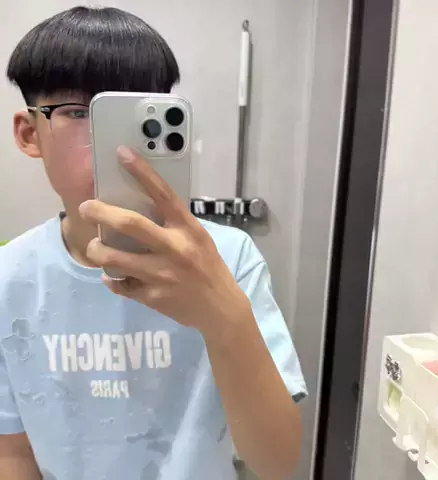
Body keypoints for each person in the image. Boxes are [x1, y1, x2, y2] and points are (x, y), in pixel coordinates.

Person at [0, 6, 307, 480]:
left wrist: (222, 316)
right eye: (78, 113)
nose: (111, 146)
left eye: (126, 117)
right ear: (29, 133)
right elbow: (13, 454)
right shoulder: (9, 276)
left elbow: (276, 463)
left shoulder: (229, 257)